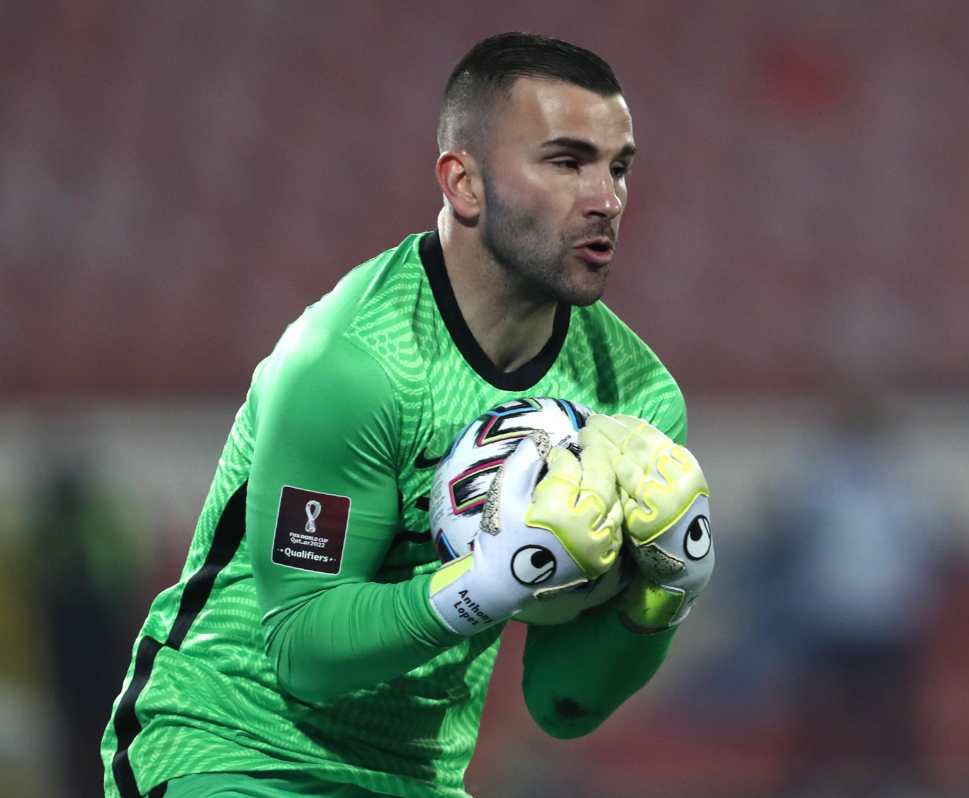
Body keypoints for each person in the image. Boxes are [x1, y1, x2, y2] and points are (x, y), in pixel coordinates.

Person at [102, 32, 714, 798]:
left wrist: (666, 591)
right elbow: (302, 649)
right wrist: (488, 582)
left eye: (617, 166)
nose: (607, 198)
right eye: (566, 162)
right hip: (227, 750)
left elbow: (561, 704)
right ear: (464, 184)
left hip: (414, 780)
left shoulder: (634, 401)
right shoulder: (350, 362)